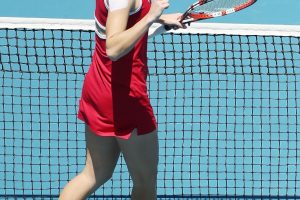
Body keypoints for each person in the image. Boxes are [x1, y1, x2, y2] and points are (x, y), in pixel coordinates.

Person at [59, 0, 184, 199]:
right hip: (126, 98)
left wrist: (159, 20)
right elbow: (114, 48)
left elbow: (125, 18)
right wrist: (151, 16)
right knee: (145, 182)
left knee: (94, 174)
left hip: (98, 90)